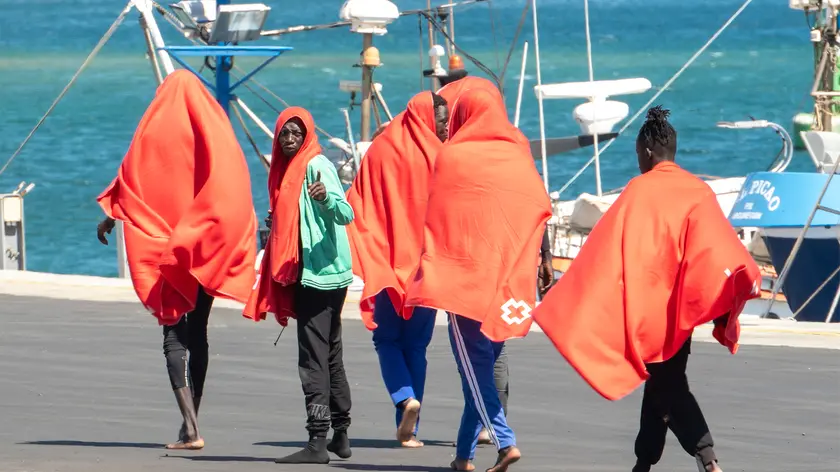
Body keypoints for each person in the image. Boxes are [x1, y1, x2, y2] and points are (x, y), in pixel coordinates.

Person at [532, 106, 762, 472]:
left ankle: (708, 460)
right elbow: (717, 248)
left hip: (646, 312)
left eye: (639, 153)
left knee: (668, 387)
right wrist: (721, 301)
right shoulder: (698, 191)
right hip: (679, 313)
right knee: (662, 383)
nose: (638, 160)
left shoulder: (638, 190)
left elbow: (604, 250)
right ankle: (643, 462)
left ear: (649, 152)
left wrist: (569, 295)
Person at [95, 70, 258, 450]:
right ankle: (191, 424)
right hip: (203, 246)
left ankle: (191, 426)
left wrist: (110, 217)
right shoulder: (215, 130)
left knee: (173, 331)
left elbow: (134, 178)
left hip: (165, 247)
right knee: (198, 332)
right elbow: (233, 183)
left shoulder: (153, 130)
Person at [405, 88, 552, 472]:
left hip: (463, 281)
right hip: (504, 281)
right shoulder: (518, 152)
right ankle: (463, 457)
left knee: (474, 367)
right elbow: (539, 205)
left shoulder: (452, 155)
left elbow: (436, 214)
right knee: (481, 366)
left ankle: (505, 441)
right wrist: (544, 258)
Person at [243, 107, 355, 465]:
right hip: (321, 273)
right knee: (330, 352)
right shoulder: (287, 170)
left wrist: (325, 198)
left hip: (318, 275)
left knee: (312, 358)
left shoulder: (316, 164)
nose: (290, 139)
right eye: (284, 133)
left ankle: (317, 440)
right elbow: (296, 216)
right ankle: (341, 434)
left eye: (296, 132)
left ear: (307, 135)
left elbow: (346, 213)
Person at [346, 91, 449, 448]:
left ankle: (405, 400)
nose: (445, 127)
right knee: (416, 345)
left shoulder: (382, 148)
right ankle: (411, 430)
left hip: (387, 264)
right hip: (427, 265)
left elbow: (358, 200)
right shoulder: (442, 155)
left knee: (387, 340)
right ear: (427, 118)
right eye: (441, 121)